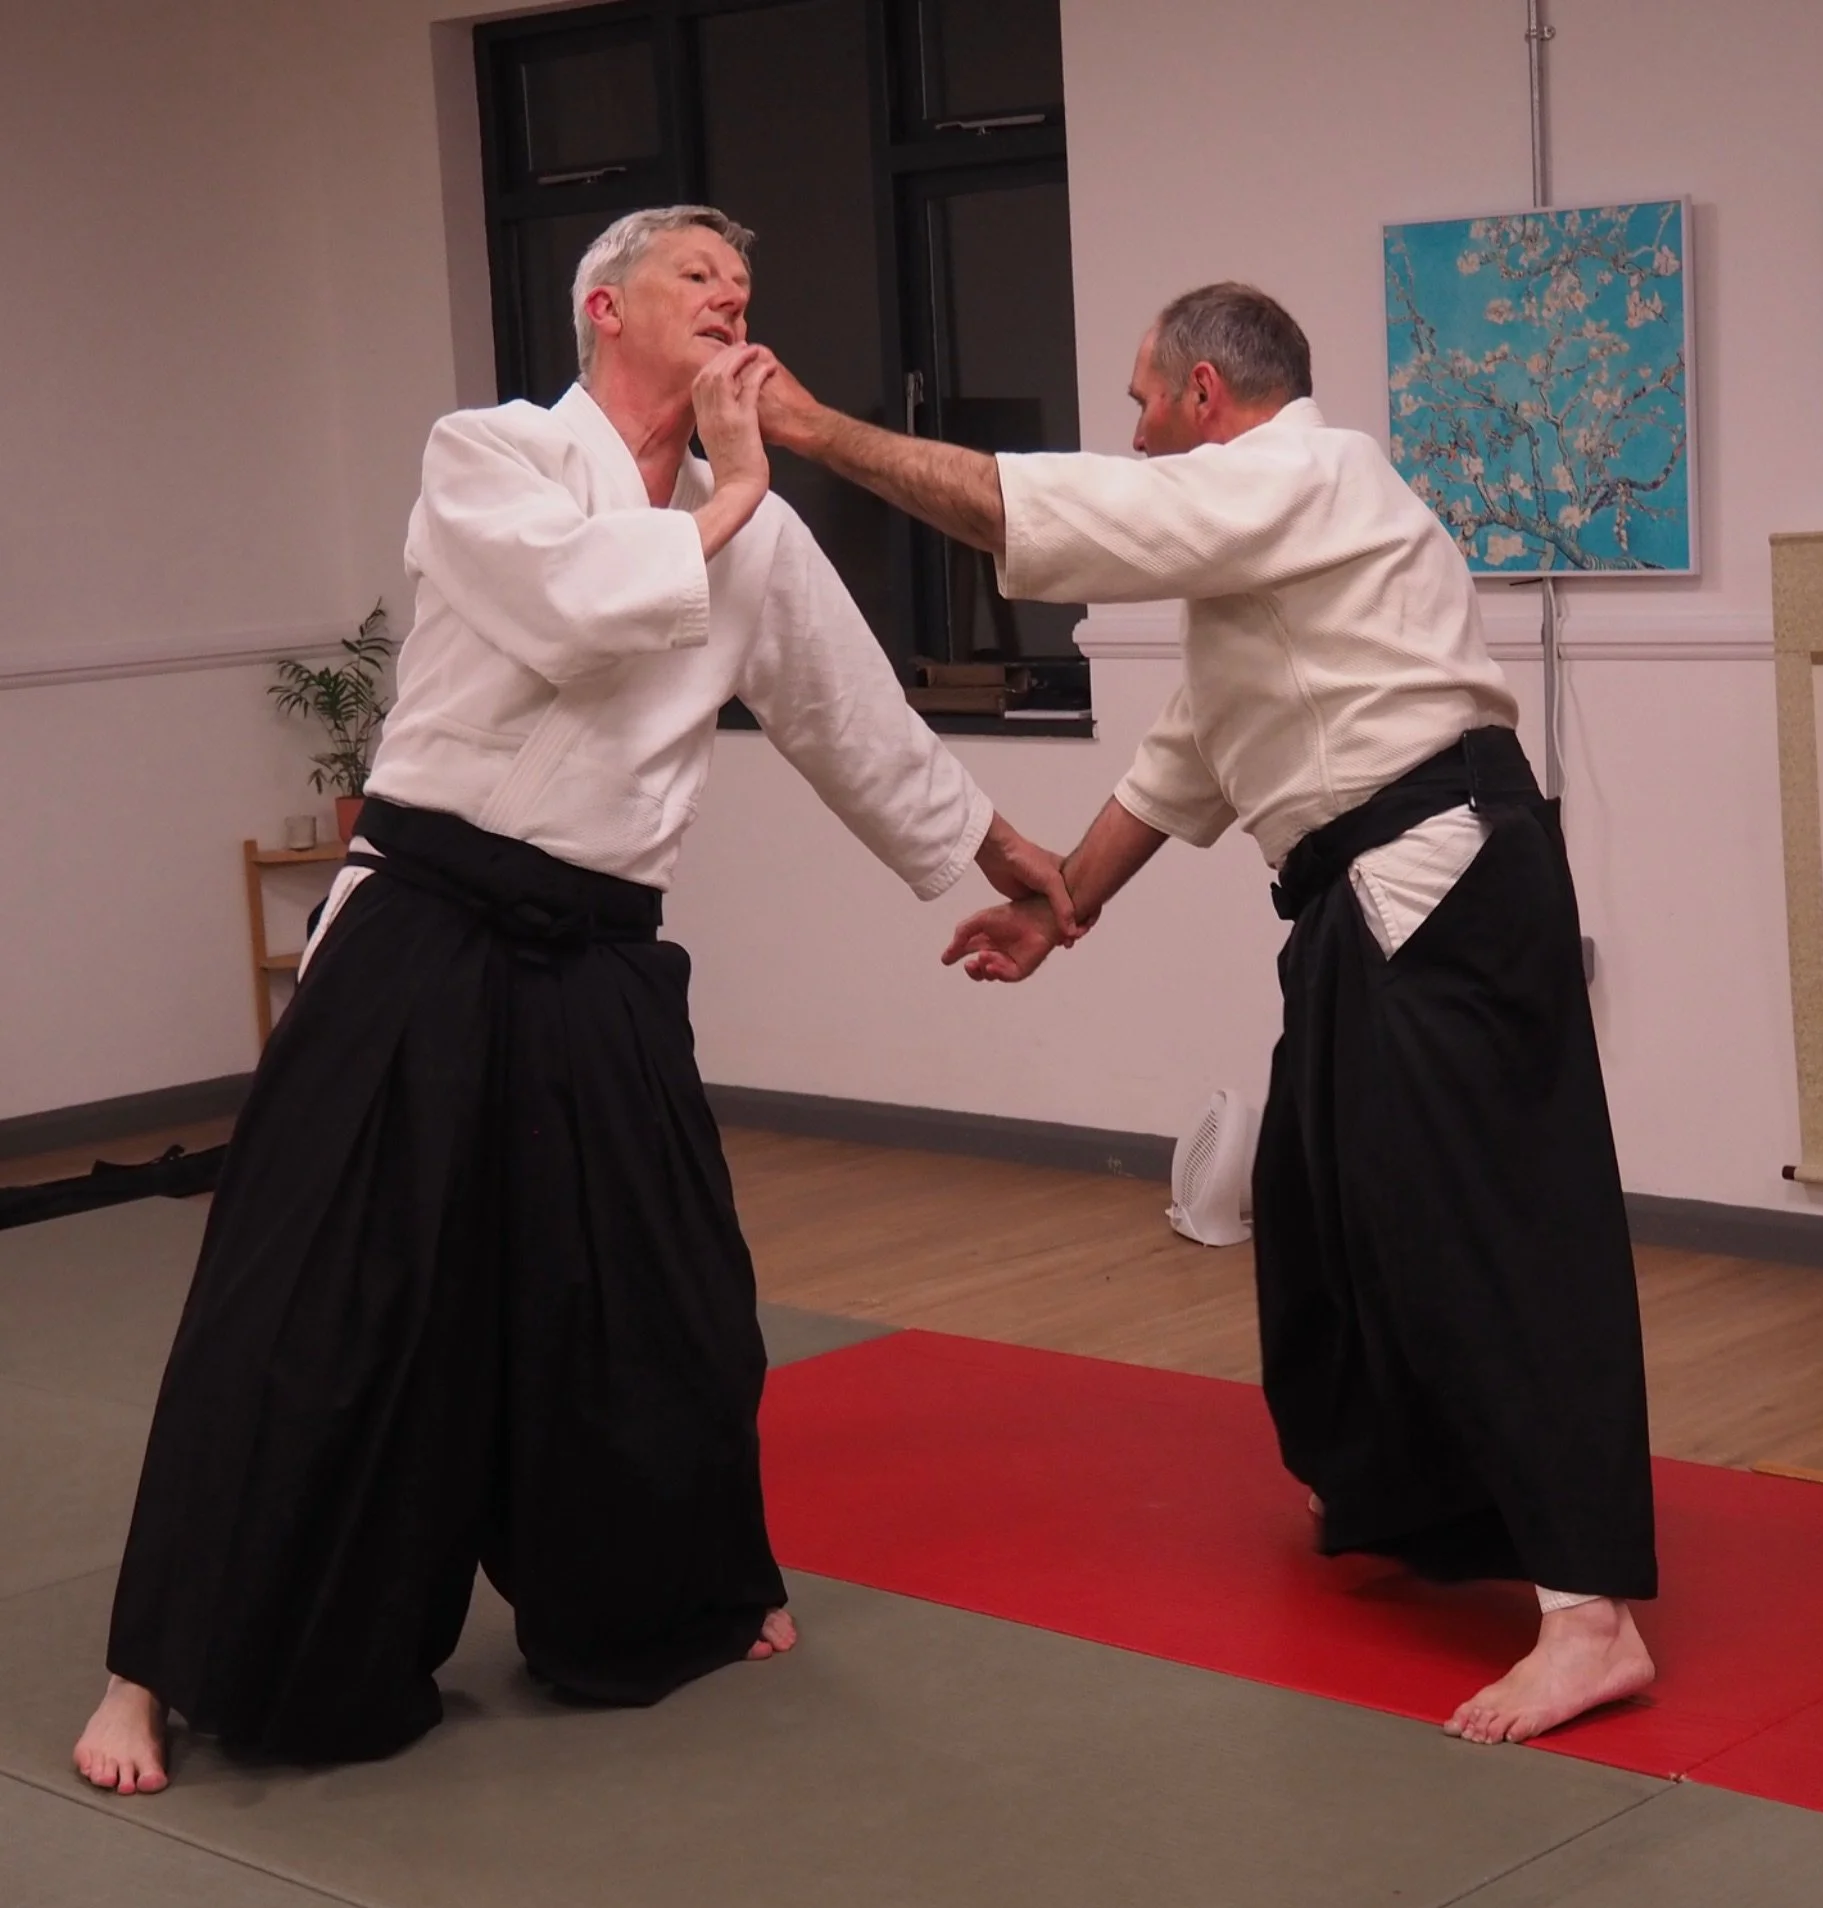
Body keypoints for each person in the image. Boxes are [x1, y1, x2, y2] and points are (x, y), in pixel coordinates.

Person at [74, 204, 1074, 1794]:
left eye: (746, 281)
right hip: (422, 923)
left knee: (660, 1293)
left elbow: (849, 717)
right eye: (699, 276)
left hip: (599, 951)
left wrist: (1002, 857)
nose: (733, 298)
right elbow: (570, 610)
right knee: (311, 1298)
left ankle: (675, 1595)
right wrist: (741, 489)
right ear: (605, 306)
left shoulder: (753, 533)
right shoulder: (489, 454)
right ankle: (156, 1670)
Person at [754, 283, 1659, 1745]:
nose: (1131, 427)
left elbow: (1026, 516)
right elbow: (1193, 756)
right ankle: (1406, 1497)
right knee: (1314, 1212)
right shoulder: (1265, 557)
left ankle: (1590, 1613)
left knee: (1481, 1228)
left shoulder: (1309, 472)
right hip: (1370, 897)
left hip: (1438, 879)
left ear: (1207, 400)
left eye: (1138, 400)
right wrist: (1059, 906)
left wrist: (804, 428)